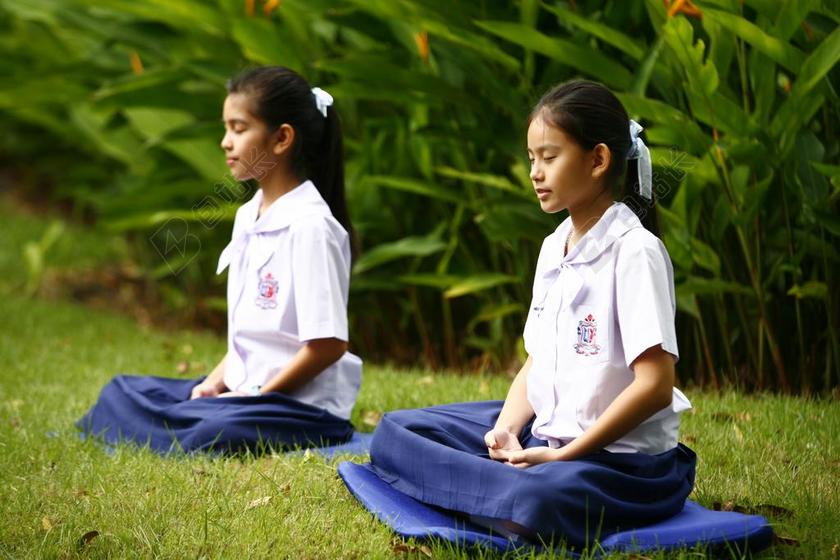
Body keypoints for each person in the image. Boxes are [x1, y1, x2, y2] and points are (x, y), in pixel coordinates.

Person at [368, 80, 696, 549]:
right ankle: (498, 492)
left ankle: (495, 499)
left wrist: (565, 458)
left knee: (542, 500)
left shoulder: (635, 251)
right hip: (547, 435)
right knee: (396, 432)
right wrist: (503, 432)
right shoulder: (552, 246)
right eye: (531, 159)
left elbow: (655, 385)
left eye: (549, 157)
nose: (535, 173)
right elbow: (537, 361)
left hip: (618, 464)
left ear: (599, 160)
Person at [78, 66, 362, 454]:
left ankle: (201, 418)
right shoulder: (250, 215)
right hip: (247, 394)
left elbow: (328, 345)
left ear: (281, 138)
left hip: (296, 408)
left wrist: (256, 396)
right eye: (226, 128)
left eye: (239, 128)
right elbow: (253, 337)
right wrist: (214, 384)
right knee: (124, 391)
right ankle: (200, 411)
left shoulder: (311, 226)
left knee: (205, 431)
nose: (226, 142)